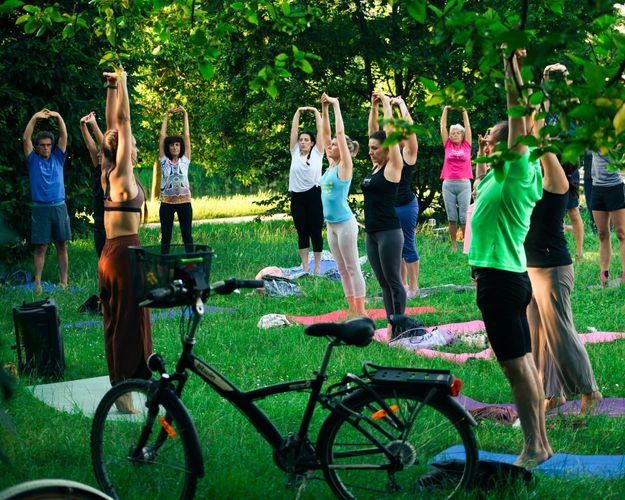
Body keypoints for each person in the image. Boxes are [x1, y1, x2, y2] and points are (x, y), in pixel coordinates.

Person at [469, 48, 552, 469]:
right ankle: (539, 441)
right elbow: (529, 118)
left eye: (492, 140)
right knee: (521, 365)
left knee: (517, 368)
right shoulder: (498, 175)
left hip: (503, 280)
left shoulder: (518, 167)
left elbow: (518, 114)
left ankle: (535, 446)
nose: (485, 142)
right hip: (499, 276)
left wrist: (509, 64)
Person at [524, 128, 602, 413]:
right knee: (538, 335)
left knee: (560, 335)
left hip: (553, 269)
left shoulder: (558, 182)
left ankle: (589, 390)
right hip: (532, 267)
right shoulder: (536, 178)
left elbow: (539, 144)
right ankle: (551, 393)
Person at [98, 68, 152, 410]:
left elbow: (111, 126)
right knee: (129, 322)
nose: (133, 144)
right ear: (123, 151)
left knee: (115, 319)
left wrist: (112, 87)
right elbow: (123, 121)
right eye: (130, 143)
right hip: (124, 254)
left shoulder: (107, 173)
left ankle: (121, 384)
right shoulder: (120, 174)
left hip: (112, 253)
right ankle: (125, 390)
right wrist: (127, 86)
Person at [319, 93, 366, 318]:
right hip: (331, 225)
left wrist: (336, 104)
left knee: (352, 266)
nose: (330, 146)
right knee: (341, 269)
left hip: (346, 224)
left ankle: (361, 310)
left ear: (345, 149)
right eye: (330, 146)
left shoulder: (344, 167)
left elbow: (337, 133)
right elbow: (327, 134)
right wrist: (324, 109)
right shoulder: (330, 165)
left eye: (336, 145)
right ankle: (351, 309)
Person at [363, 91, 405, 340]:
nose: (370, 151)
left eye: (375, 148)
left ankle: (399, 325)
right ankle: (391, 323)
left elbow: (388, 134)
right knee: (382, 283)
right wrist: (373, 108)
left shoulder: (393, 166)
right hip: (372, 233)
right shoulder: (375, 166)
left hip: (390, 232)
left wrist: (388, 105)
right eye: (369, 148)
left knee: (393, 280)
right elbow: (374, 132)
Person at [369, 95, 420, 297]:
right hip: (389, 207)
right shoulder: (384, 158)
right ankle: (402, 284)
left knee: (407, 244)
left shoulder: (407, 154)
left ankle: (414, 287)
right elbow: (373, 132)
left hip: (406, 205)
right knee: (395, 249)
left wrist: (400, 105)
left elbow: (411, 130)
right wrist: (375, 107)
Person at [22, 108, 70, 294]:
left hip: (59, 206)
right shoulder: (32, 159)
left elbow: (64, 136)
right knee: (41, 247)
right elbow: (26, 139)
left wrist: (58, 116)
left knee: (62, 244)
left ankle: (64, 282)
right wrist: (34, 117)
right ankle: (38, 284)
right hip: (40, 208)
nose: (46, 148)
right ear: (37, 146)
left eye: (48, 145)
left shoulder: (58, 157)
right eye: (42, 145)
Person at [288, 105, 326, 274]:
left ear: (312, 143)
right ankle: (305, 267)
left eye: (306, 140)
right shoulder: (294, 152)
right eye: (301, 139)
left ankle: (317, 267)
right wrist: (298, 112)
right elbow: (293, 130)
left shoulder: (318, 153)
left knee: (315, 232)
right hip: (297, 197)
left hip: (314, 196)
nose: (302, 142)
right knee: (302, 232)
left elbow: (322, 131)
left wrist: (316, 112)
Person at [159, 106, 193, 253]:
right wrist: (166, 115)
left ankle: (192, 264)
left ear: (181, 147)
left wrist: (185, 114)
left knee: (187, 236)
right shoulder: (164, 161)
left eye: (177, 145)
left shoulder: (185, 160)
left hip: (184, 203)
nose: (175, 147)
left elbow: (186, 135)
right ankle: (163, 264)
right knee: (166, 236)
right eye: (172, 145)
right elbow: (162, 136)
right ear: (168, 147)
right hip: (166, 203)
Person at [439, 105, 473, 251]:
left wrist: (464, 110)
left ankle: (466, 245)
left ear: (462, 135)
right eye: (452, 133)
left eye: (457, 133)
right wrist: (445, 110)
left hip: (464, 184)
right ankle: (454, 245)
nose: (454, 135)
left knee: (464, 218)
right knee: (452, 217)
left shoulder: (467, 145)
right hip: (448, 184)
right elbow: (442, 126)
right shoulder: (447, 145)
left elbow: (467, 126)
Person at [590, 151, 625, 285]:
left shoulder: (616, 133)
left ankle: (624, 275)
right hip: (597, 188)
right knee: (602, 234)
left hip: (615, 187)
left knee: (621, 234)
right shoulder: (593, 133)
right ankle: (604, 276)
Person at [79, 111, 106, 258]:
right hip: (98, 220)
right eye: (99, 153)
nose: (99, 154)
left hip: (111, 220)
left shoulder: (113, 169)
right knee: (101, 259)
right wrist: (83, 125)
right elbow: (91, 146)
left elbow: (105, 146)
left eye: (103, 153)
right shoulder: (98, 169)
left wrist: (94, 124)